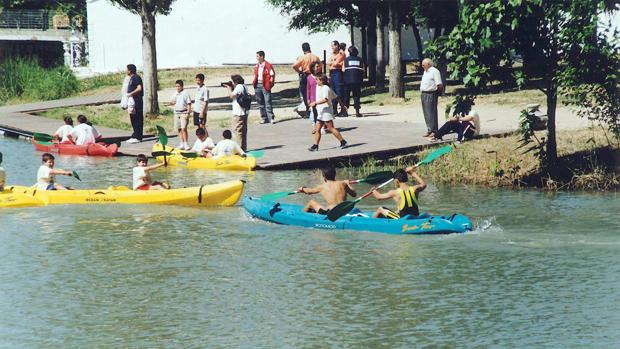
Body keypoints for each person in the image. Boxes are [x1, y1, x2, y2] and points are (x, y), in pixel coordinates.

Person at [308, 74, 348, 151]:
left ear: (322, 81)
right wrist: (342, 105)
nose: (315, 81)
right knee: (317, 129)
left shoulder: (326, 88)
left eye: (317, 79)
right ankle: (315, 145)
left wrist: (315, 103)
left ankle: (343, 142)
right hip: (321, 112)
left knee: (331, 128)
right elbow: (336, 96)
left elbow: (325, 99)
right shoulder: (319, 87)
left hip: (326, 112)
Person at [292, 42, 322, 117]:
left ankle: (308, 109)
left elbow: (294, 66)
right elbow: (320, 65)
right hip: (314, 74)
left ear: (303, 49)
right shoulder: (315, 57)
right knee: (315, 91)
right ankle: (315, 107)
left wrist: (300, 72)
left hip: (306, 74)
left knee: (305, 93)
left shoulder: (302, 57)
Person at [224, 74, 250, 151]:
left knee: (237, 131)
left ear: (235, 81)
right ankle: (243, 148)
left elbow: (231, 96)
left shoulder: (238, 87)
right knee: (243, 131)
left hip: (238, 112)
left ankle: (238, 149)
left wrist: (228, 88)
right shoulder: (244, 86)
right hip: (244, 111)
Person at [420, 58, 443, 137]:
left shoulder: (435, 71)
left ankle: (434, 130)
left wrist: (437, 93)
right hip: (424, 93)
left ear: (429, 64)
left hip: (431, 93)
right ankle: (429, 129)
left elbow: (439, 84)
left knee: (431, 112)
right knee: (426, 113)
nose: (422, 66)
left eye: (424, 64)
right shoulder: (425, 71)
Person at [253, 50, 276, 124]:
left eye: (257, 56)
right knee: (260, 103)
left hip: (265, 85)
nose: (256, 58)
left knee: (267, 101)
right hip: (258, 85)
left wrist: (269, 84)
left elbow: (272, 75)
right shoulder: (257, 65)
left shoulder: (268, 65)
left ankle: (271, 118)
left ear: (262, 57)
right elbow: (256, 75)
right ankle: (264, 118)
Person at [169, 79, 192, 150]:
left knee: (184, 128)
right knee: (179, 128)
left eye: (179, 86)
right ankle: (181, 143)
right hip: (177, 112)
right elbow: (172, 101)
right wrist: (172, 102)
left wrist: (188, 112)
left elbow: (189, 103)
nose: (177, 88)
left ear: (182, 86)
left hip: (183, 112)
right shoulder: (175, 93)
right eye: (176, 86)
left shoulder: (185, 93)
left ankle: (186, 143)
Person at [343, 46, 364, 117]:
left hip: (347, 80)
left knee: (346, 96)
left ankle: (345, 111)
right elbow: (362, 71)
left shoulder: (346, 60)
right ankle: (357, 112)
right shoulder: (360, 60)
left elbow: (343, 70)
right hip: (357, 81)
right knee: (356, 96)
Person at [125, 63, 144, 144]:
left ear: (130, 70)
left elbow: (139, 88)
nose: (125, 71)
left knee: (137, 118)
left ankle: (138, 136)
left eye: (126, 69)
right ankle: (134, 135)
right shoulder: (131, 78)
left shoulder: (136, 77)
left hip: (137, 101)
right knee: (132, 118)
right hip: (132, 102)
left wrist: (130, 94)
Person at [327, 40, 346, 116]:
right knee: (333, 91)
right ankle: (334, 110)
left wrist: (335, 63)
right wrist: (335, 63)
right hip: (332, 73)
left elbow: (334, 64)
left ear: (337, 46)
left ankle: (343, 109)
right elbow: (328, 62)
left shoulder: (341, 53)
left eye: (333, 46)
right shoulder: (332, 54)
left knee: (339, 91)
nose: (332, 48)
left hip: (338, 73)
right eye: (331, 46)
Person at [306, 61, 322, 126]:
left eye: (319, 66)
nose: (318, 68)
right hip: (313, 99)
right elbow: (308, 89)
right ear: (313, 68)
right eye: (317, 66)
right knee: (314, 113)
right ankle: (315, 126)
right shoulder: (309, 77)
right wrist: (308, 99)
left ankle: (322, 126)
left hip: (321, 98)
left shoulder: (322, 76)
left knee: (321, 113)